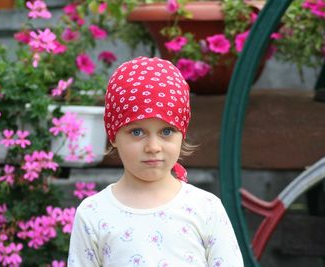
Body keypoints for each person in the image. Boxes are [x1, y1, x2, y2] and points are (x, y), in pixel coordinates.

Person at [67, 56, 243, 267]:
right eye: (137, 131)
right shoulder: (93, 213)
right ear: (113, 134)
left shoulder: (205, 209)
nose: (153, 146)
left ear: (182, 133)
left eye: (166, 131)